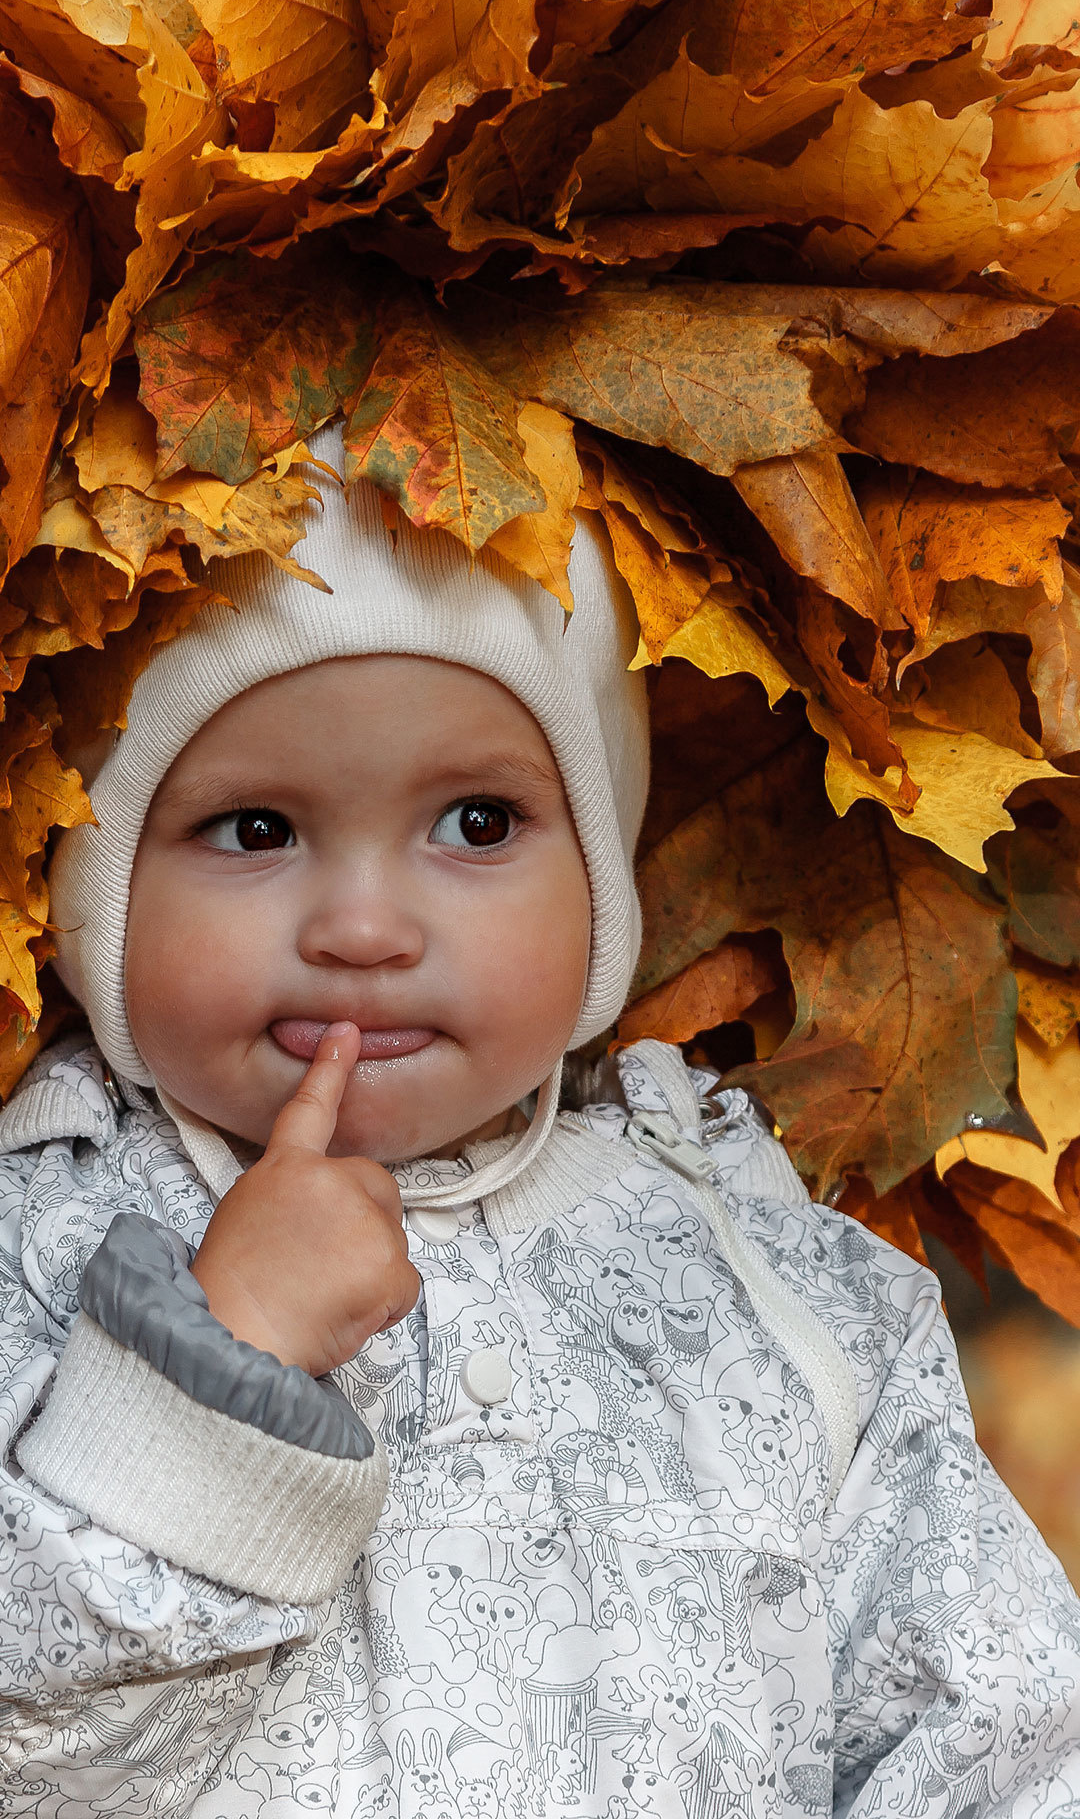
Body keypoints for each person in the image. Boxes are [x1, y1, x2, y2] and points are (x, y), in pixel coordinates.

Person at [0, 420, 1077, 1819]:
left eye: (478, 823)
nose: (368, 927)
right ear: (99, 898)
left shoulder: (768, 1275)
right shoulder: (46, 1243)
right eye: (256, 829)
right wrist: (205, 1384)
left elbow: (998, 1729)